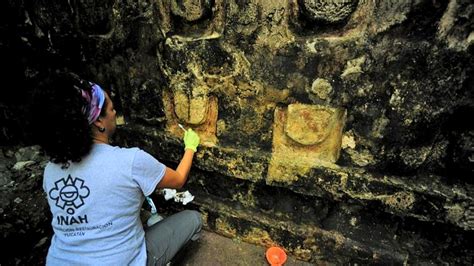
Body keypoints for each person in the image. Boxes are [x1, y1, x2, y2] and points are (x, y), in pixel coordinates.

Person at [32, 72, 202, 266]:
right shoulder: (129, 161)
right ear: (98, 121)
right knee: (193, 219)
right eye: (111, 108)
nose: (114, 113)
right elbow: (179, 179)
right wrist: (190, 147)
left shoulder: (51, 170)